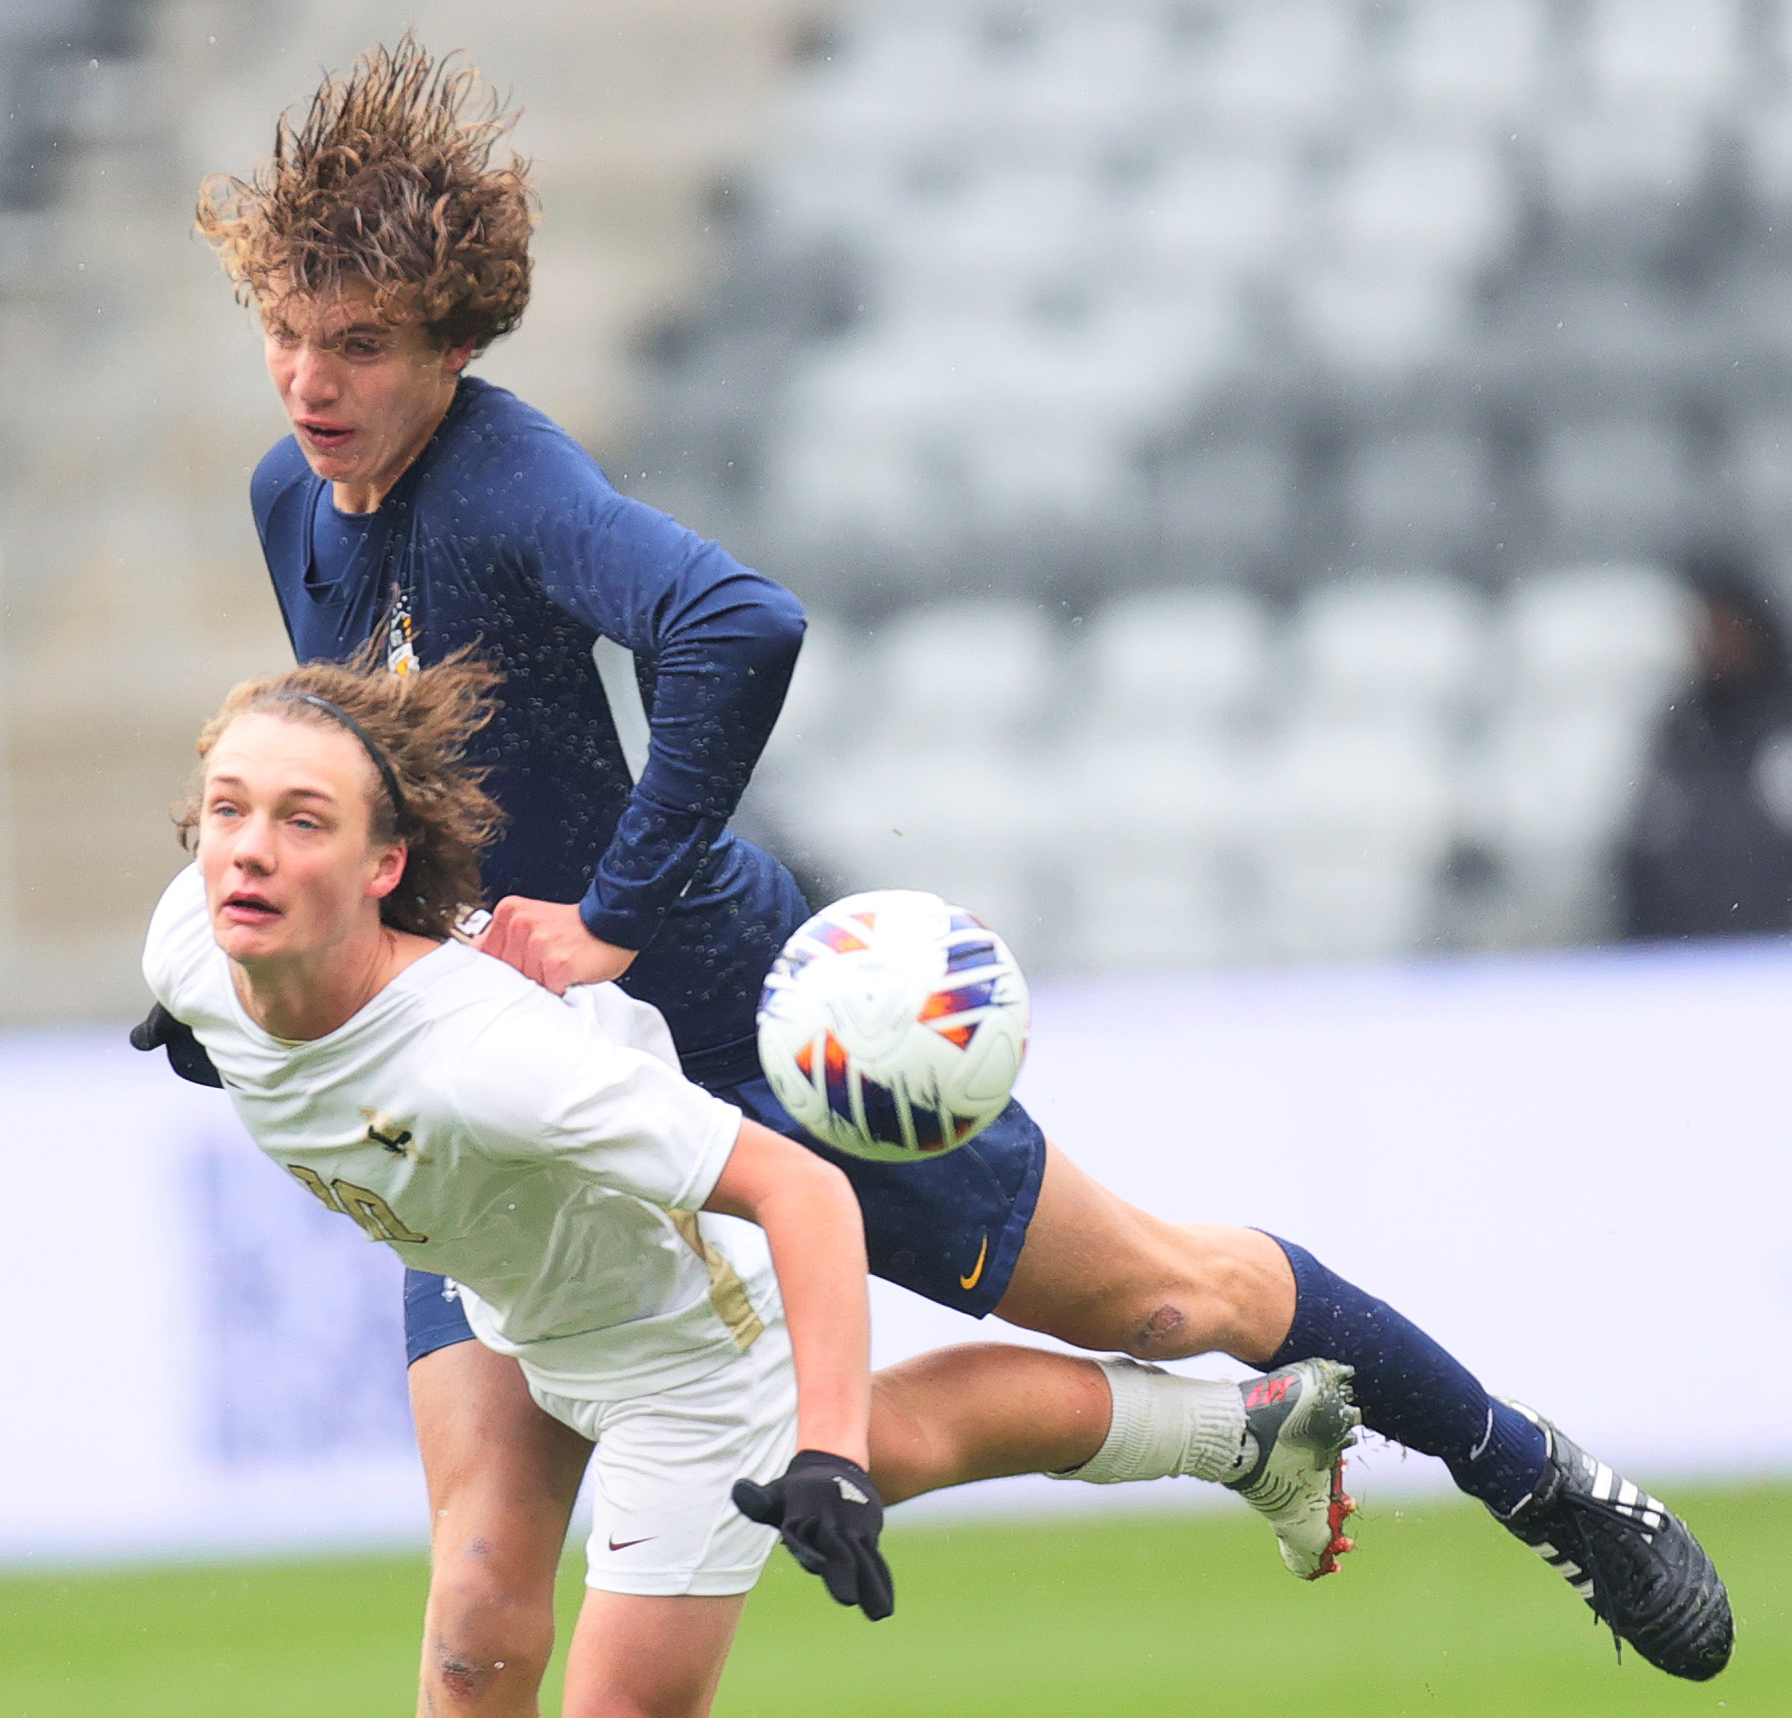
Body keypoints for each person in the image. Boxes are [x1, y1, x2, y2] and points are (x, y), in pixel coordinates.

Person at [153, 38, 1732, 1700]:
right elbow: (371, 785)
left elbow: (735, 621)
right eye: (284, 335)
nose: (308, 382)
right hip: (489, 1078)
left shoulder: (500, 472)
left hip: (714, 1017)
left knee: (1161, 1290)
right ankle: (1236, 1439)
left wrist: (616, 911)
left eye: (359, 346)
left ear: (455, 342)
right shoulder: (295, 498)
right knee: (481, 1601)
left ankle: (1532, 1471)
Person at [142, 654, 1364, 1718]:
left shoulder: (485, 1062)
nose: (250, 846)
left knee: (830, 1470)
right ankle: (1240, 1430)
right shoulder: (193, 941)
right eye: (228, 810)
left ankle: (1222, 1430)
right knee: (471, 1643)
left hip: (690, 1348)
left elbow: (801, 1190)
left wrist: (826, 1455)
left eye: (304, 820)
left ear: (382, 864)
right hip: (528, 1296)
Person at [1622, 547, 1792, 938]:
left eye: (1725, 625)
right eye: (1705, 627)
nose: (1714, 641)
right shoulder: (1681, 730)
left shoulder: (1780, 724)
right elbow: (1645, 851)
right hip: (1693, 957)